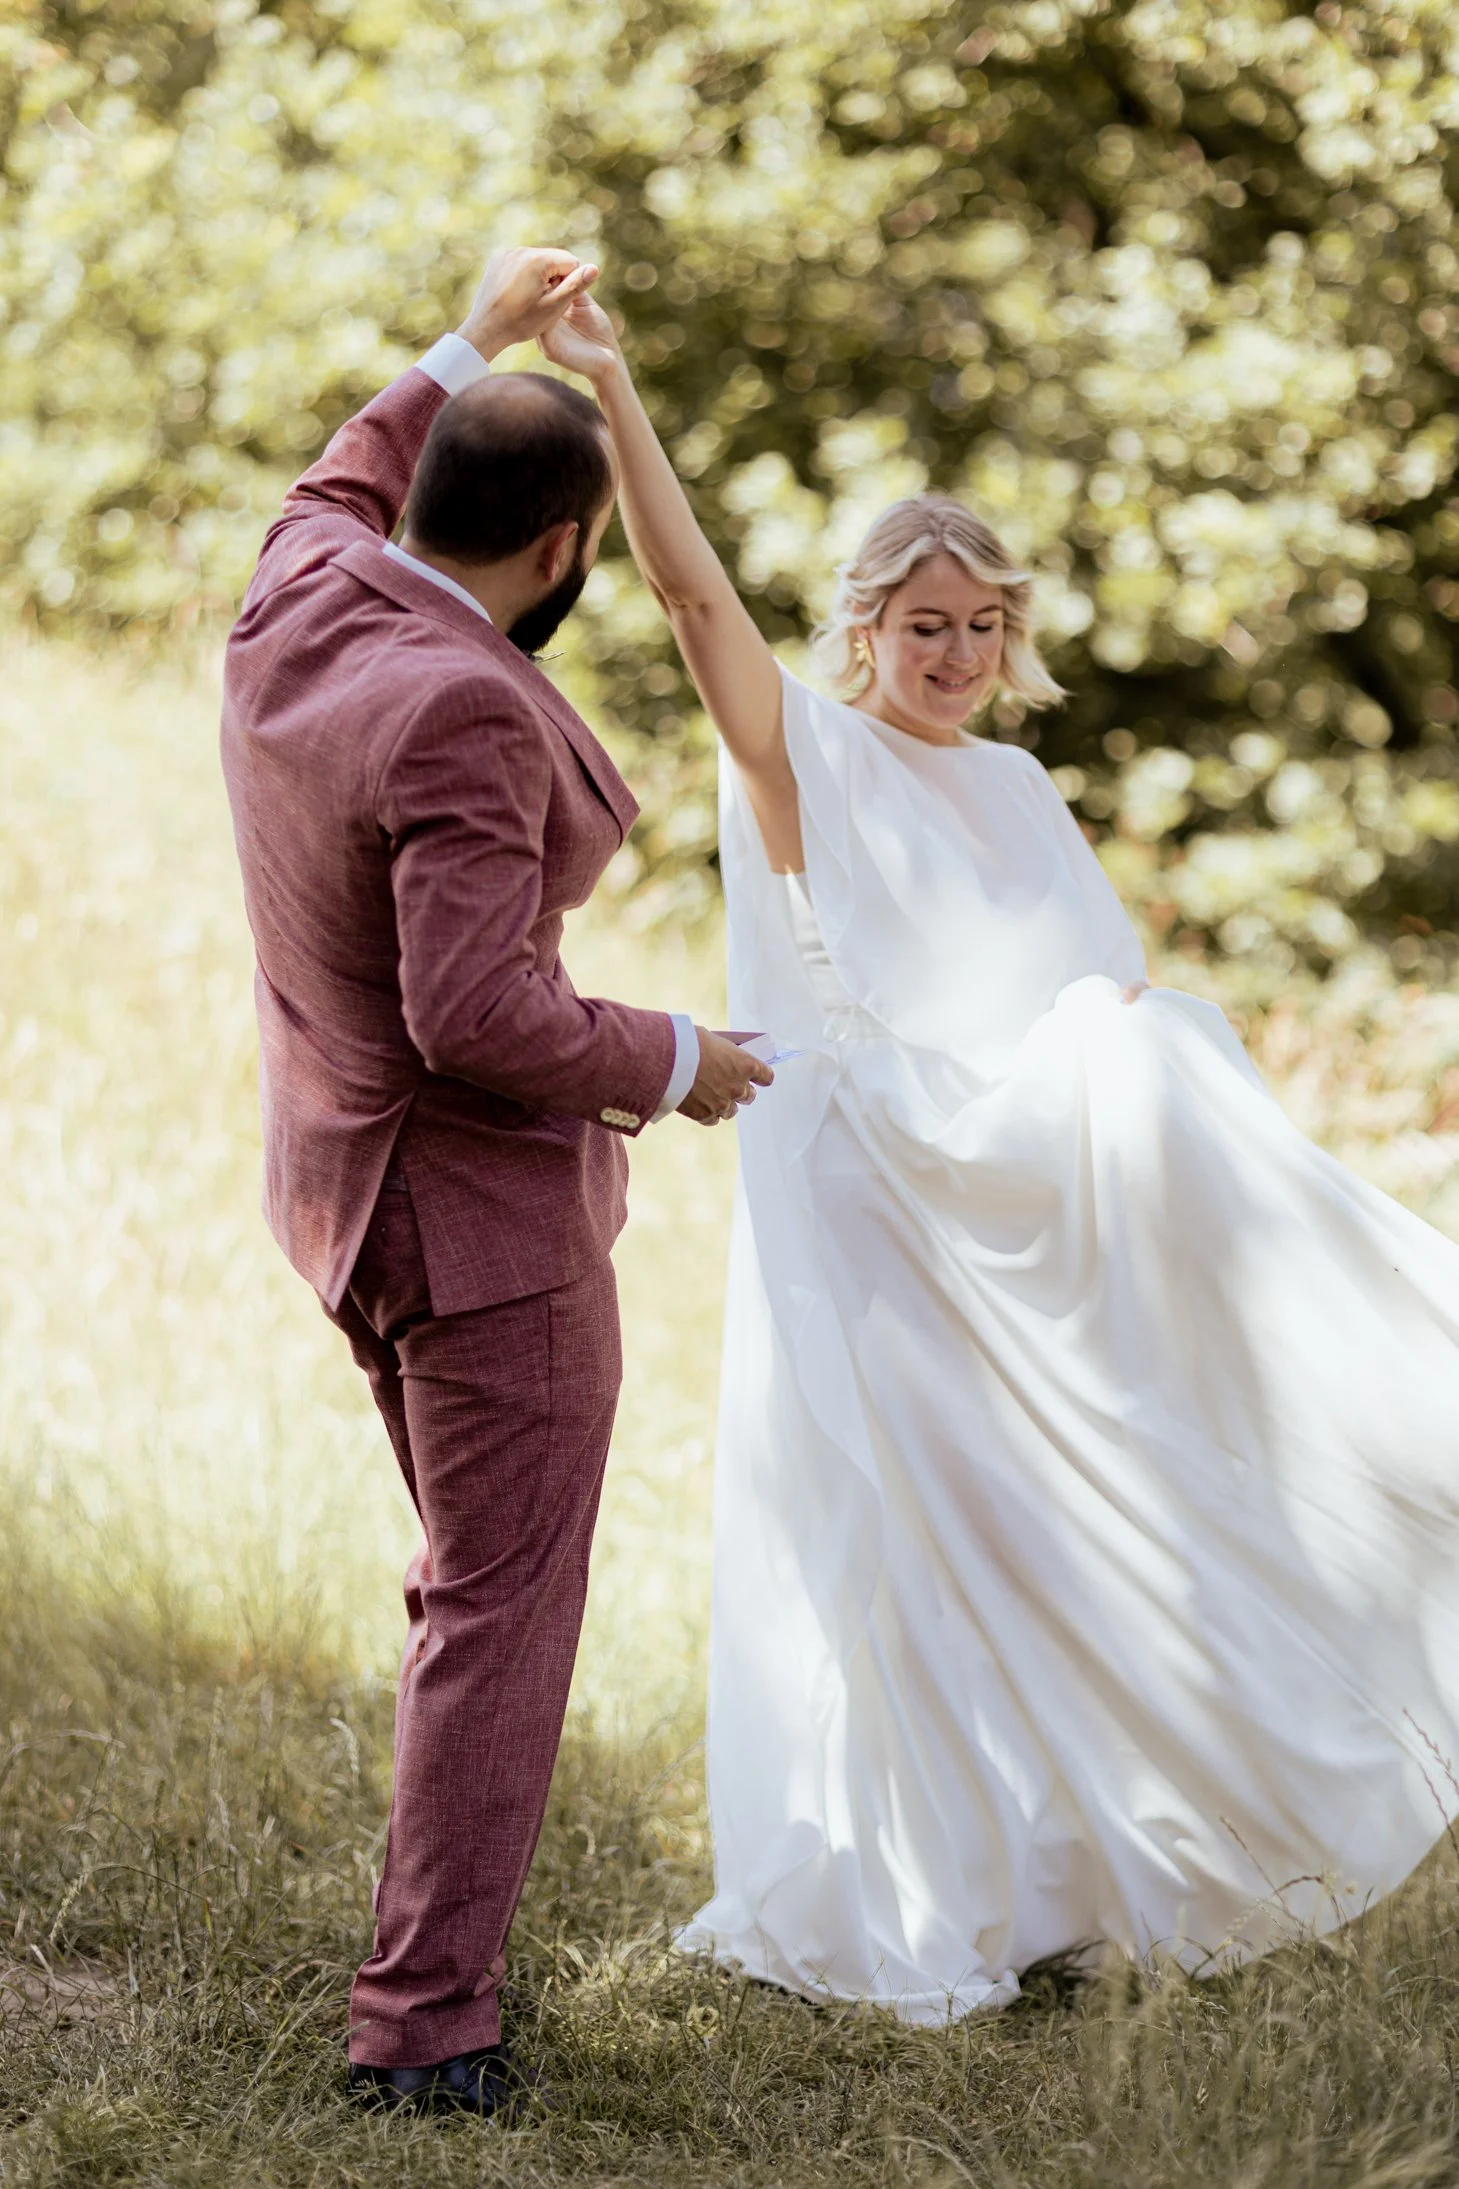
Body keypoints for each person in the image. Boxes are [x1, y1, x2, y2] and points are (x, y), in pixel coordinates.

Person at [537, 280, 1459, 2021]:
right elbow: (683, 590)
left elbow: (1101, 992)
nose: (950, 656)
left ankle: (1071, 1866)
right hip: (879, 1191)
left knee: (1061, 1523)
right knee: (912, 1529)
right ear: (863, 633)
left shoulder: (1024, 793)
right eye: (920, 624)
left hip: (1032, 1206)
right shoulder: (802, 758)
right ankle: (922, 1880)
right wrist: (613, 386)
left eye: (977, 628)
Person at [220, 244, 771, 2114]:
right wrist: (683, 1062)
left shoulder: (298, 593)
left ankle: (423, 1972)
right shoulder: (457, 705)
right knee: (502, 1615)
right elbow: (480, 1014)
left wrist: (474, 333)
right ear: (560, 554)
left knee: (471, 1586)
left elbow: (328, 481)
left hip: (342, 1195)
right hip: (478, 1234)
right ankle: (424, 2031)